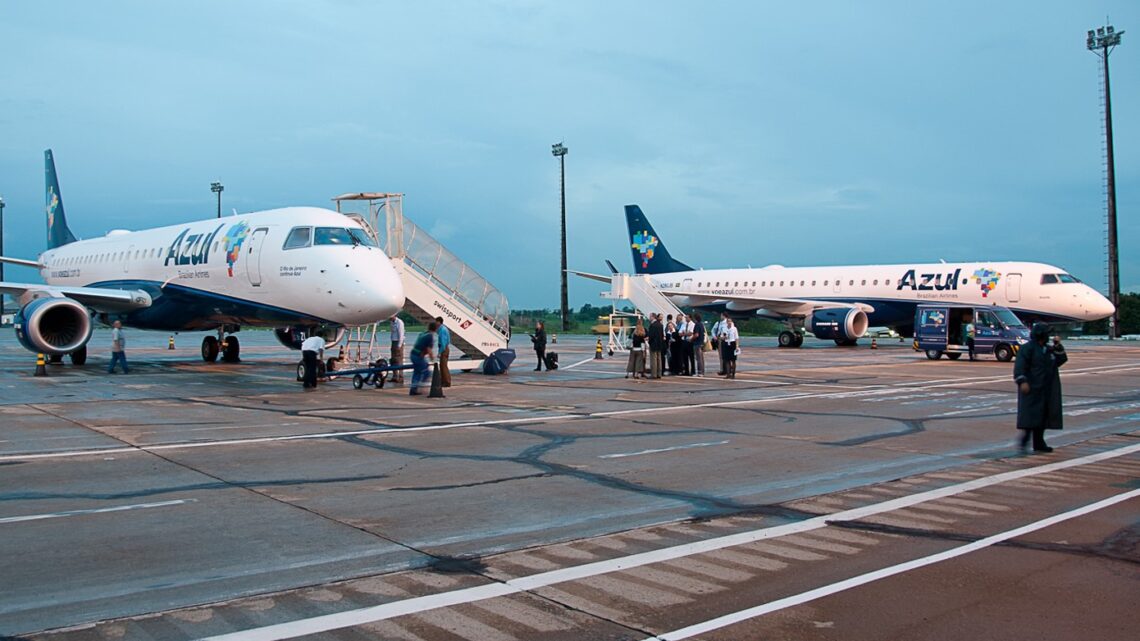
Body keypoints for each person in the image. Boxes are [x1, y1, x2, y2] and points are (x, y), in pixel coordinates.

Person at [1013, 323, 1067, 453]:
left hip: (1046, 387)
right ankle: (1025, 439)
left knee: (1042, 416)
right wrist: (1022, 381)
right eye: (1047, 333)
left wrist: (1057, 346)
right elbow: (1020, 366)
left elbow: (1061, 359)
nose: (1049, 336)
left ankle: (1039, 442)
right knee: (1031, 416)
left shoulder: (1048, 349)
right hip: (1032, 387)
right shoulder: (1027, 349)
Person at [408, 321, 438, 395]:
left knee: (417, 372)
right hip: (418, 356)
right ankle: (421, 386)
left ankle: (413, 389)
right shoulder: (430, 336)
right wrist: (433, 360)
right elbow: (429, 349)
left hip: (413, 354)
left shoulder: (423, 333)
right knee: (426, 371)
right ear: (436, 329)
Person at [434, 316, 452, 387]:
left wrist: (440, 352)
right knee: (442, 366)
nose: (435, 323)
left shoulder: (442, 330)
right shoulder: (443, 329)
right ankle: (443, 381)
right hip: (444, 348)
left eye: (436, 321)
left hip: (444, 349)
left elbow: (443, 343)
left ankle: (446, 382)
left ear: (439, 322)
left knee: (443, 366)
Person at [389, 314, 406, 383]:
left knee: (399, 360)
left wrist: (399, 345)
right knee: (393, 360)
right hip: (393, 342)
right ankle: (395, 376)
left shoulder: (399, 322)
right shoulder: (391, 322)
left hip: (398, 342)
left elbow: (401, 335)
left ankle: (401, 377)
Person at [647, 313, 665, 379]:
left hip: (653, 344)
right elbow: (662, 335)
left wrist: (649, 342)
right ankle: (659, 373)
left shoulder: (652, 325)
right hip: (659, 344)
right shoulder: (660, 325)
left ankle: (654, 374)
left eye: (650, 316)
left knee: (653, 359)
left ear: (653, 317)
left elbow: (651, 335)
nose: (649, 318)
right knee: (659, 359)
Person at [692, 312, 707, 377]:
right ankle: (702, 371)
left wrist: (691, 339)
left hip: (697, 343)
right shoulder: (701, 324)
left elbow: (696, 334)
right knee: (701, 358)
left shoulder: (697, 325)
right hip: (701, 342)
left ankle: (699, 372)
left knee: (698, 358)